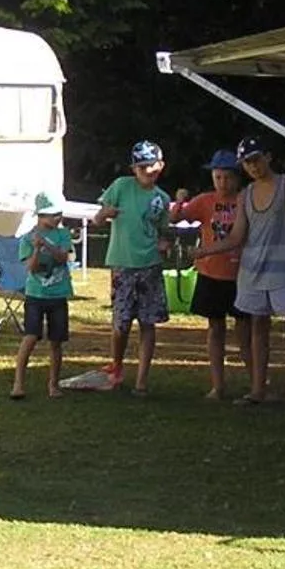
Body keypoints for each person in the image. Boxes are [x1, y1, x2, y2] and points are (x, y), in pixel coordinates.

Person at [199, 135, 285, 411]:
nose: (253, 166)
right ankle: (258, 389)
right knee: (258, 326)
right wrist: (205, 251)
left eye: (256, 160)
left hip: (284, 270)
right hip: (252, 271)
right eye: (247, 163)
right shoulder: (245, 195)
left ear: (268, 157)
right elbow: (237, 236)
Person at [171, 149, 253, 400]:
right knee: (215, 328)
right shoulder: (205, 201)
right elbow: (176, 217)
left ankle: (257, 383)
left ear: (237, 178)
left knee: (245, 331)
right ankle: (218, 385)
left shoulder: (246, 200)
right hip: (211, 273)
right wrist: (180, 201)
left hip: (241, 273)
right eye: (218, 177)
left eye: (227, 177)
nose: (222, 182)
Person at [91, 138, 171, 394]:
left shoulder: (162, 198)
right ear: (133, 169)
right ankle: (116, 366)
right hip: (122, 264)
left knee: (148, 323)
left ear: (160, 165)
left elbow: (163, 230)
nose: (146, 171)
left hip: (150, 266)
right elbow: (97, 220)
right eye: (141, 167)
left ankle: (142, 380)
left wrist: (164, 243)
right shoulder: (121, 186)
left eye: (151, 165)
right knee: (121, 323)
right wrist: (105, 214)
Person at [8, 191, 78, 399]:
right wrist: (37, 249)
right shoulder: (27, 238)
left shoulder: (63, 234)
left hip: (58, 294)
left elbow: (63, 257)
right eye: (52, 214)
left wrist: (46, 244)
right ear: (40, 215)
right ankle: (18, 384)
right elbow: (31, 267)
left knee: (56, 341)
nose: (57, 218)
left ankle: (53, 385)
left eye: (59, 214)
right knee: (30, 337)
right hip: (36, 295)